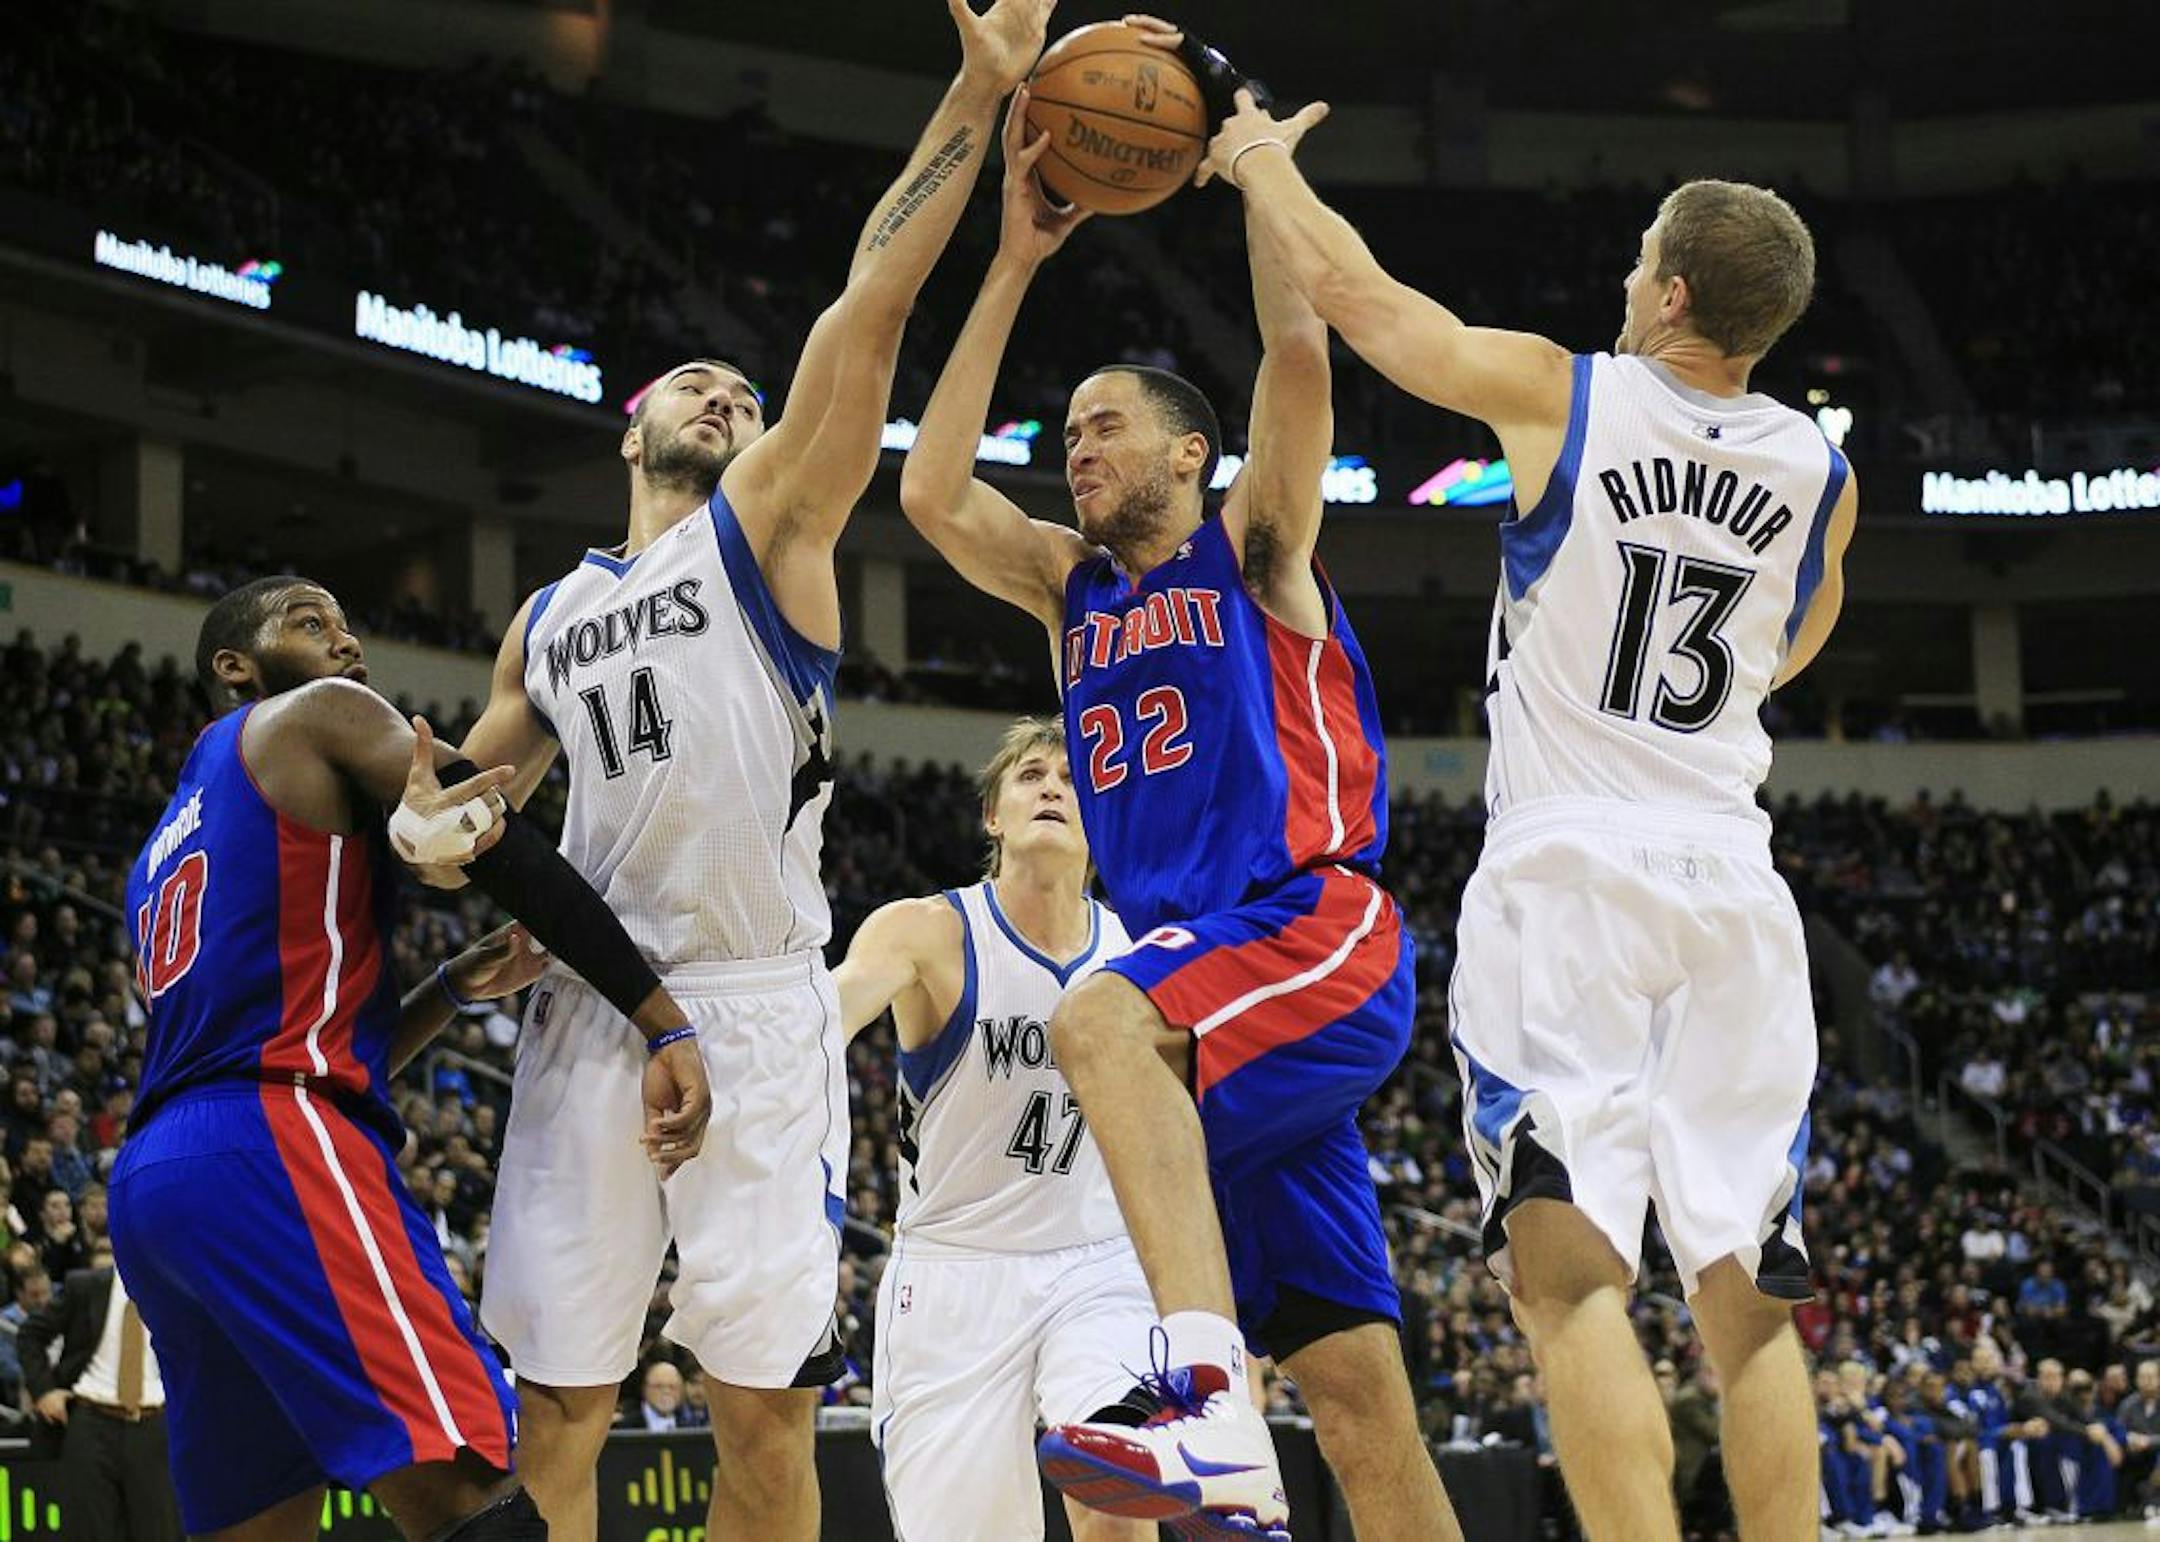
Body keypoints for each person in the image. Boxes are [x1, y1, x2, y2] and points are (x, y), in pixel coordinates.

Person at [1205, 66, 1860, 1542]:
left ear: (1674, 292)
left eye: (1640, 260)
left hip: (1571, 866)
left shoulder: (1575, 390)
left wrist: (1258, 164)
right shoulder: (1824, 469)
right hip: (1733, 876)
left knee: (1573, 1284)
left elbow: (1376, 311)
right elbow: (1788, 644)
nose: (1626, 280)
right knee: (1750, 1301)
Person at [450, 6, 1058, 1538]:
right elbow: (464, 805)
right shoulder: (549, 616)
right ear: (631, 425)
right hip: (595, 1001)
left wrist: (975, 99)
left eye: (741, 387)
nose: (724, 396)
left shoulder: (769, 524)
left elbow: (864, 300)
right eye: (694, 383)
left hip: (754, 1004)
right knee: (558, 1411)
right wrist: (458, 899)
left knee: (766, 1418)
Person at [896, 53, 1461, 1541]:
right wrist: (1013, 261)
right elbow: (931, 493)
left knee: (1091, 1017)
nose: (1077, 449)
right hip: (1204, 998)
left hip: (1309, 926)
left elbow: (1297, 350)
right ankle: (1225, 1422)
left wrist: (1254, 159)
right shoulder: (1065, 590)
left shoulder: (1255, 549)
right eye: (1068, 434)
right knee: (1360, 1409)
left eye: (1106, 426)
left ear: (1190, 453)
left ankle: (1198, 1398)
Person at [108, 576, 712, 1541]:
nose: (346, 646)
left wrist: (449, 991)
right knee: (472, 1497)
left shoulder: (160, 849)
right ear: (234, 665)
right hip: (277, 1139)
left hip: (161, 1183)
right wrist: (660, 1016)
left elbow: (304, 1039)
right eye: (311, 623)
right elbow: (495, 834)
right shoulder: (318, 716)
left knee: (256, 1525)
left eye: (348, 627)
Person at [832, 718, 1150, 1542]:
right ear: (993, 817)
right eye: (1031, 775)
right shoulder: (927, 931)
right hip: (956, 1274)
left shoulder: (1145, 949)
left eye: (1073, 779)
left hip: (1101, 1265)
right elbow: (823, 1019)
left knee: (1116, 1489)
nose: (1052, 787)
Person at [19, 1250, 179, 1540]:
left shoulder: (177, 1295)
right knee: (90, 1531)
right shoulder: (86, 1287)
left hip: (154, 1425)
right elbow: (30, 1334)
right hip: (92, 1421)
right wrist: (44, 1391)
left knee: (158, 1531)